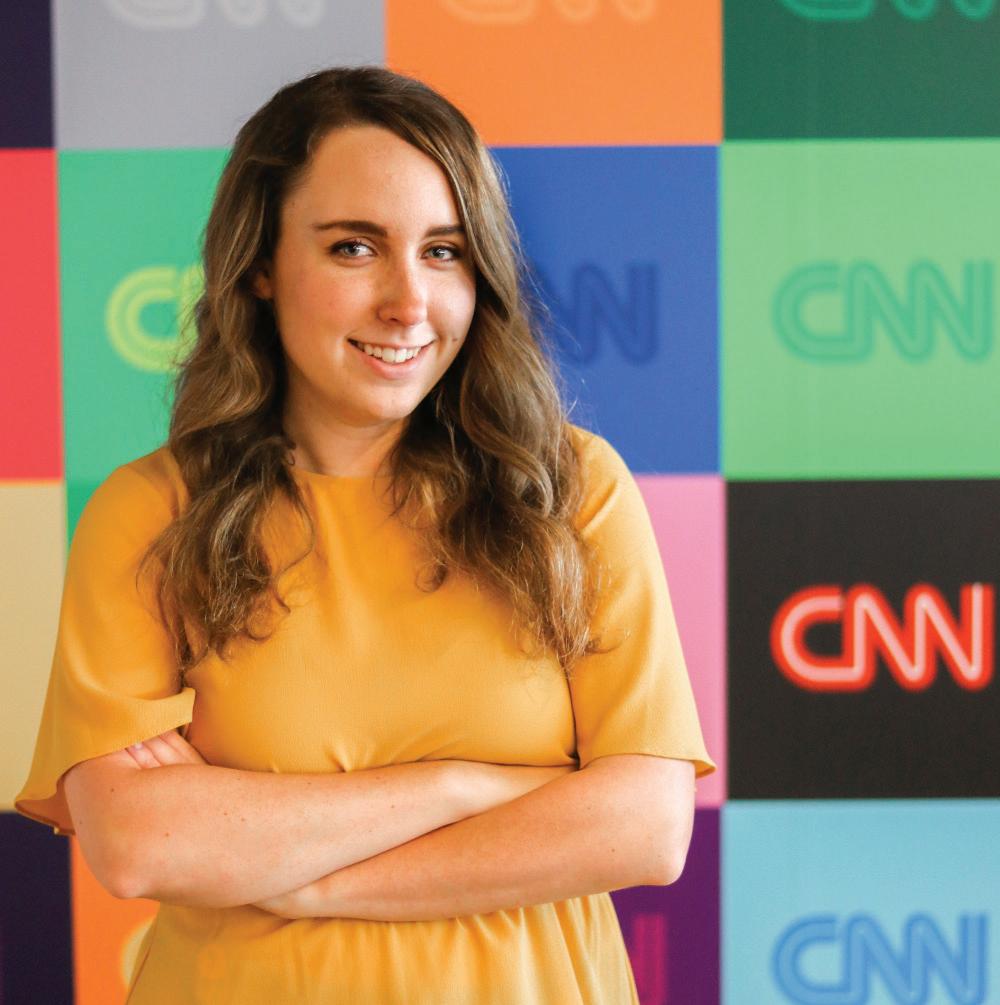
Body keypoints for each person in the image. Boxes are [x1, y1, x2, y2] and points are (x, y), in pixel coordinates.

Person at [15, 66, 715, 1004]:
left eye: (444, 251)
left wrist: (304, 879)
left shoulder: (571, 491)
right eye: (354, 247)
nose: (408, 302)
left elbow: (645, 828)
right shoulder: (153, 513)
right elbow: (142, 842)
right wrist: (466, 787)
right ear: (261, 264)